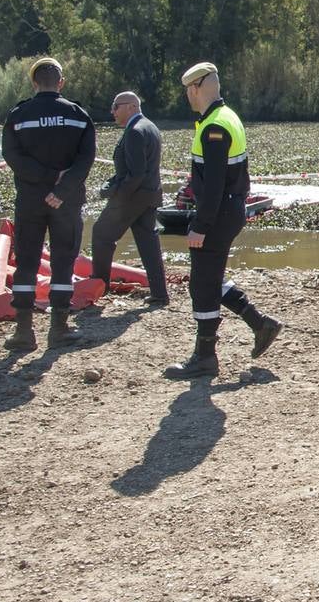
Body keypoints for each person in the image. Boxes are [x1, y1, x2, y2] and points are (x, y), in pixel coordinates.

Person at [164, 63, 283, 379]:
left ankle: (205, 356)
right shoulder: (226, 116)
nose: (188, 96)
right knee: (208, 275)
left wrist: (200, 225)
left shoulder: (214, 126)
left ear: (195, 88)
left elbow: (215, 183)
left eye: (188, 90)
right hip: (230, 209)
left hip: (218, 213)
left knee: (202, 282)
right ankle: (260, 324)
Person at [0, 57, 97, 352]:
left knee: (27, 263)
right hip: (66, 203)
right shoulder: (78, 116)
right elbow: (86, 159)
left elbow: (12, 156)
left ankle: (24, 332)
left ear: (34, 83)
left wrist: (44, 179)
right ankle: (58, 329)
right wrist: (62, 187)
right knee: (63, 264)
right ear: (61, 83)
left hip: (30, 201)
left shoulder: (18, 116)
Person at [90, 91, 169, 305]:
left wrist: (117, 196)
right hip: (150, 195)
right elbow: (136, 169)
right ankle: (160, 293)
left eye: (116, 106)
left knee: (101, 234)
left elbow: (136, 174)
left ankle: (99, 286)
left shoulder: (134, 131)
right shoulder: (150, 126)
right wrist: (113, 182)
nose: (112, 111)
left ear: (131, 107)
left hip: (133, 198)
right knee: (148, 243)